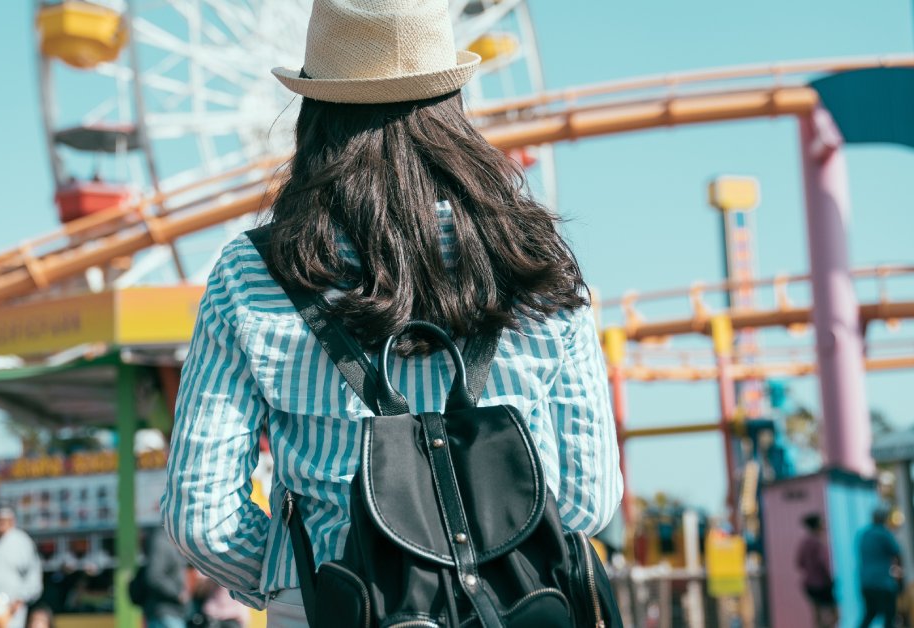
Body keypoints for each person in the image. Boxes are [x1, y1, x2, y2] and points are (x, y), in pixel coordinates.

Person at [160, 1, 622, 626]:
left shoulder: (251, 272)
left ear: (314, 108)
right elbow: (587, 496)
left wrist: (297, 584)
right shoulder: (538, 262)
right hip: (518, 602)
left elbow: (200, 516)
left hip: (333, 600)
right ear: (453, 99)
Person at [858, 508, 901, 627]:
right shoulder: (884, 534)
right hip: (882, 583)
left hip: (865, 582)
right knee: (890, 615)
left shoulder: (864, 534)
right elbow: (897, 553)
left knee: (870, 613)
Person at [138, 529, 188, 628]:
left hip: (170, 613)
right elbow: (154, 576)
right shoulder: (161, 541)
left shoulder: (167, 541)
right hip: (164, 613)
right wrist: (177, 593)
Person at [795, 513, 837, 627]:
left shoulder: (804, 542)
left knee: (817, 613)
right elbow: (823, 564)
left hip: (809, 584)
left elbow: (799, 563)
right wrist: (830, 579)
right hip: (821, 583)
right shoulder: (818, 542)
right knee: (835, 613)